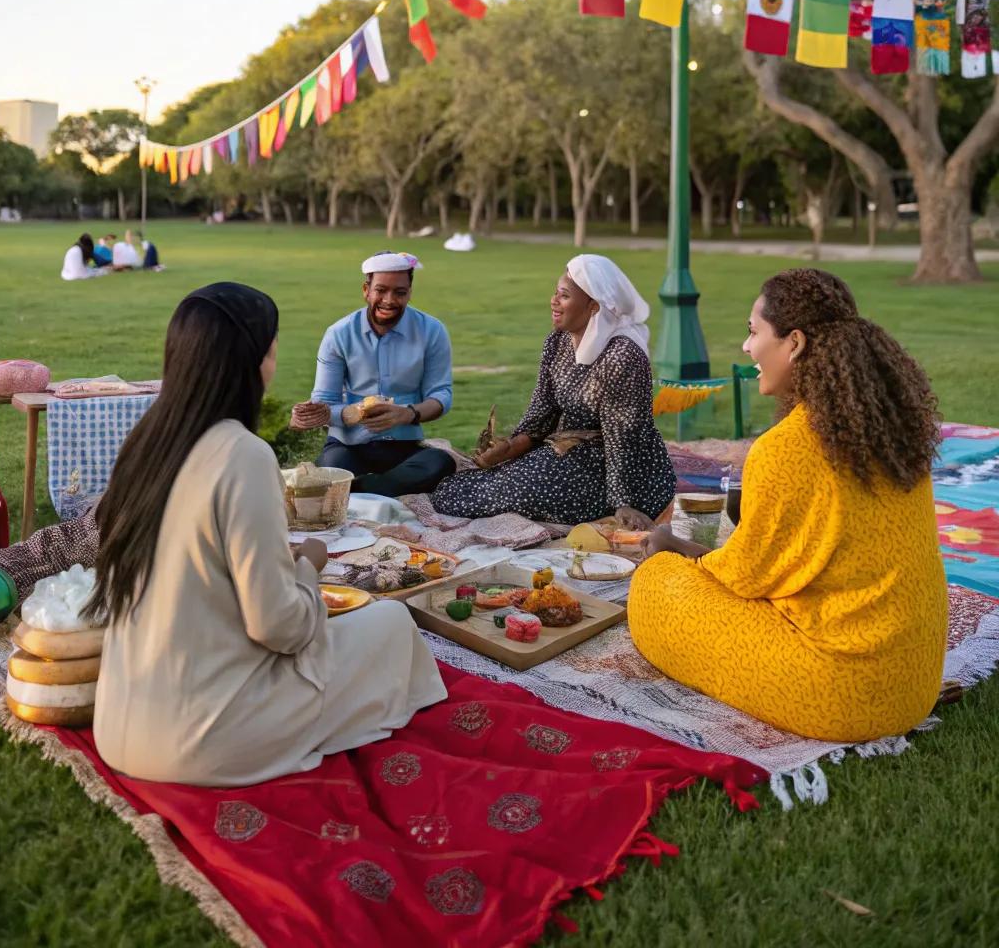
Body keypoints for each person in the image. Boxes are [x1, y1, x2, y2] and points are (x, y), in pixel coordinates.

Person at [90, 282, 445, 786]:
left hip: (120, 725)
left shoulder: (146, 443)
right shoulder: (243, 454)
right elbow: (279, 628)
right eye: (272, 347)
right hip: (203, 739)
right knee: (388, 623)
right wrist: (308, 564)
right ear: (253, 360)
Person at [627, 269, 948, 744]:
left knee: (654, 585)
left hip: (846, 692)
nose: (747, 348)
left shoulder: (785, 449)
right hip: (914, 679)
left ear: (793, 342)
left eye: (754, 332)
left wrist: (670, 545)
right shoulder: (896, 434)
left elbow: (745, 578)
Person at [431, 255, 677, 525]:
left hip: (620, 470)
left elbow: (622, 437)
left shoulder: (623, 356)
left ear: (594, 306)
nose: (554, 301)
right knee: (458, 489)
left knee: (519, 492)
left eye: (564, 296)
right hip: (570, 453)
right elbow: (543, 409)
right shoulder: (557, 341)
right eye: (555, 293)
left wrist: (623, 503)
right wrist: (511, 447)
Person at [291, 251, 455, 498]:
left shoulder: (432, 331)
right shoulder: (339, 334)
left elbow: (441, 395)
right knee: (333, 466)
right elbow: (325, 402)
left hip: (404, 447)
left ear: (410, 292)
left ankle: (358, 488)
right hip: (347, 446)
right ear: (366, 290)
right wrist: (348, 413)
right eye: (381, 290)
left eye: (399, 292)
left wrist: (407, 414)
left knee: (440, 463)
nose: (389, 300)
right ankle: (383, 488)